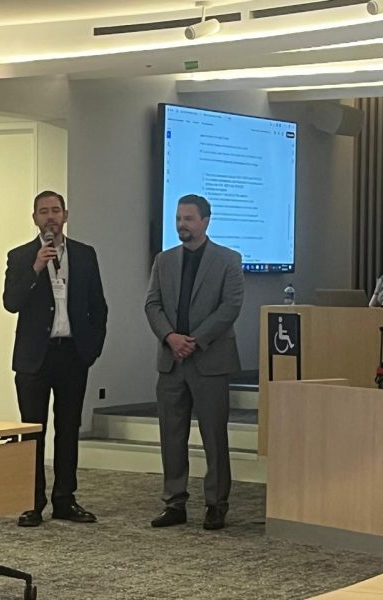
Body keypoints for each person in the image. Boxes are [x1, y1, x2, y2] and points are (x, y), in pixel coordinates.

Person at [3, 190, 108, 527]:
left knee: (68, 428)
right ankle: (32, 502)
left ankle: (65, 498)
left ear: (65, 215)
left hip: (72, 354)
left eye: (55, 210)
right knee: (32, 430)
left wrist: (92, 349)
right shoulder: (21, 256)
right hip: (34, 356)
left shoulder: (85, 254)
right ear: (34, 218)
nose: (50, 217)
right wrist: (35, 268)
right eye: (43, 211)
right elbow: (11, 302)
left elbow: (98, 306)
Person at [145, 194, 244, 531]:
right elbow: (152, 305)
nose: (181, 225)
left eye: (188, 218)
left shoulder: (228, 259)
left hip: (210, 360)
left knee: (213, 435)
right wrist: (171, 337)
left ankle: (216, 504)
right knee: (171, 435)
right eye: (178, 218)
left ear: (205, 221)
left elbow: (230, 307)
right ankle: (174, 502)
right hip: (171, 360)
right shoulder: (164, 260)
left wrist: (195, 340)